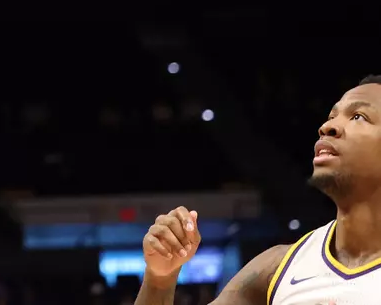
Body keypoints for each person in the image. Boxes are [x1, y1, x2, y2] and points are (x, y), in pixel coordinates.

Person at [137, 75, 381, 305]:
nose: (328, 126)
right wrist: (159, 278)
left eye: (358, 116)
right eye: (332, 115)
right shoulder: (278, 267)